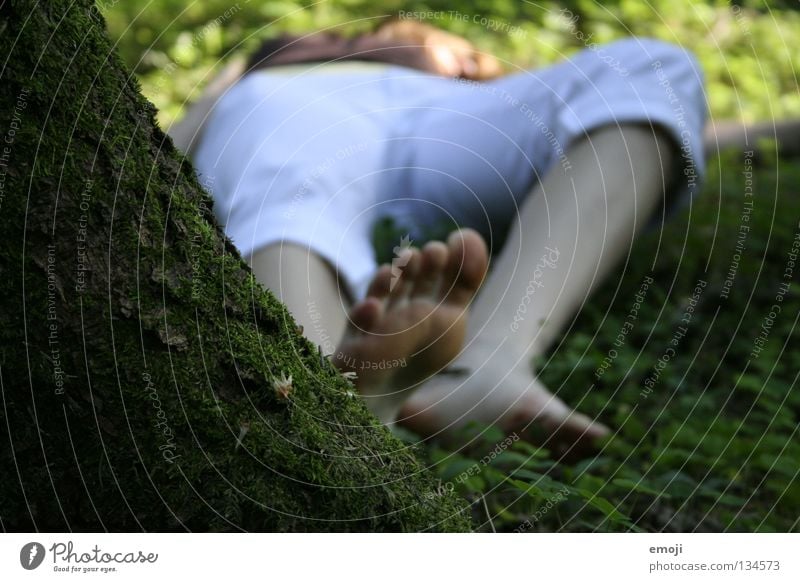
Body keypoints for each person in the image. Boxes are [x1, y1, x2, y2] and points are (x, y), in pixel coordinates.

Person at [181, 20, 707, 454]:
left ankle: (485, 365)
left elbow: (677, 128)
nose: (467, 59)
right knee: (292, 186)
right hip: (298, 99)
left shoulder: (476, 87)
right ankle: (323, 408)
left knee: (656, 67)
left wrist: (776, 135)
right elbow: (168, 133)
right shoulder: (286, 60)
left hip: (448, 122)